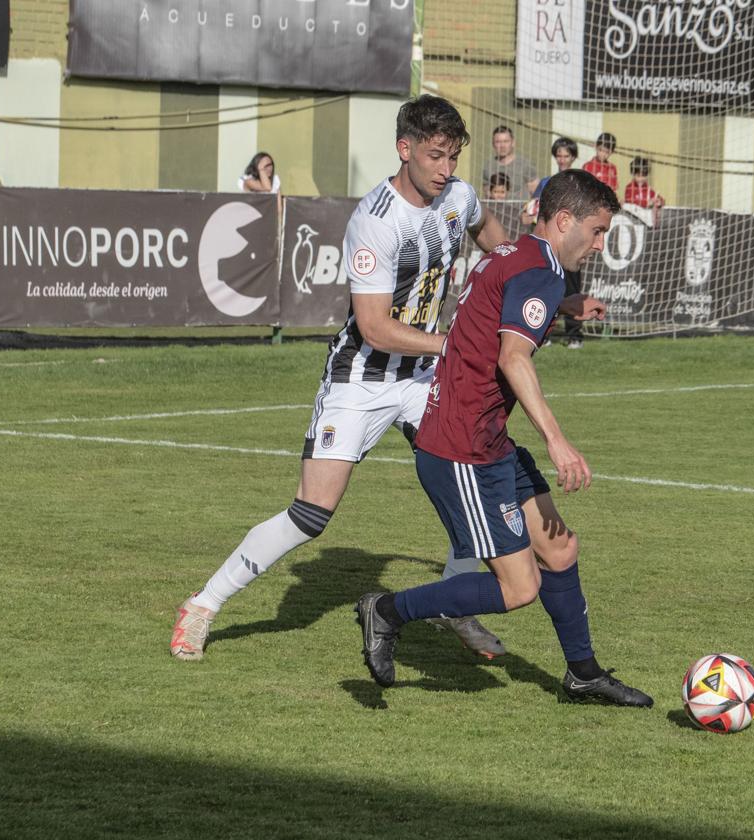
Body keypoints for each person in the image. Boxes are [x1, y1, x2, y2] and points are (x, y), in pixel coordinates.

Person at [171, 95, 509, 661]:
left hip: (425, 374)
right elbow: (375, 328)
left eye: (453, 157)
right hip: (363, 376)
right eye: (434, 156)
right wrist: (460, 344)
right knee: (311, 513)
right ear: (404, 150)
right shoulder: (375, 221)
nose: (446, 169)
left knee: (467, 481)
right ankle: (203, 604)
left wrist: (544, 291)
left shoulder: (460, 198)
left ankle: (455, 602)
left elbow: (498, 250)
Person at [355, 170, 653, 708]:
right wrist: (558, 441)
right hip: (461, 447)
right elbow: (511, 357)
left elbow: (493, 312)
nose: (602, 244)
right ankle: (387, 611)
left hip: (485, 439)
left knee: (560, 550)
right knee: (519, 589)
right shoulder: (542, 274)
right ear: (564, 221)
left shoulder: (516, 255)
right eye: (599, 230)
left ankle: (582, 674)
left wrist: (563, 304)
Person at [523, 137, 583, 349]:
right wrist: (528, 214)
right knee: (547, 286)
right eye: (559, 155)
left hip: (571, 244)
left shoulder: (578, 181)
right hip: (548, 244)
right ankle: (543, 333)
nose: (562, 159)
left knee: (572, 288)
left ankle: (575, 335)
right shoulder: (546, 182)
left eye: (566, 155)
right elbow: (533, 209)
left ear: (573, 157)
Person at [481, 126, 539, 202]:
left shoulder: (525, 165)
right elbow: (487, 195)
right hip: (495, 212)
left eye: (506, 141)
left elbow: (537, 194)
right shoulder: (488, 167)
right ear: (493, 144)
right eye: (498, 142)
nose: (502, 146)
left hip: (519, 212)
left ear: (513, 142)